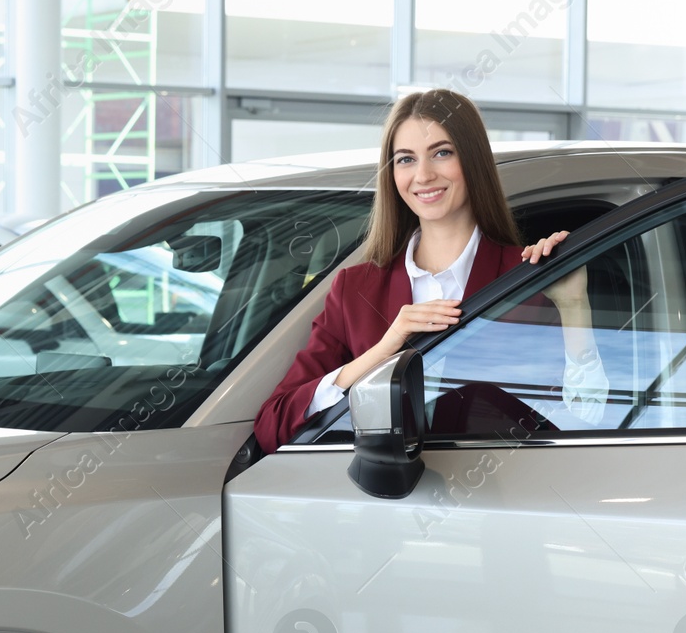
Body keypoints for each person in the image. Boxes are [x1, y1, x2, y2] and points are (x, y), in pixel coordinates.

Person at [252, 88, 606, 453]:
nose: (423, 175)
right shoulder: (355, 290)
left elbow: (589, 420)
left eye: (442, 153)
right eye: (405, 159)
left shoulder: (528, 276)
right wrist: (385, 350)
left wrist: (574, 305)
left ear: (473, 160)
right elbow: (272, 427)